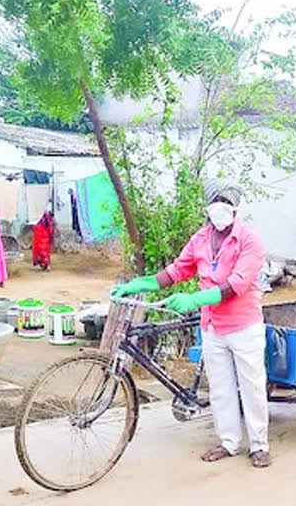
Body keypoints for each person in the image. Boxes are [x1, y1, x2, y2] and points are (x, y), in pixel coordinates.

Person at [112, 179, 270, 468]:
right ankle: (228, 442)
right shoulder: (200, 239)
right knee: (220, 388)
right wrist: (139, 284)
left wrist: (195, 299)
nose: (220, 206)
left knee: (252, 386)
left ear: (236, 207)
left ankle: (259, 444)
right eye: (216, 200)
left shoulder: (250, 241)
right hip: (212, 326)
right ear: (207, 206)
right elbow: (175, 272)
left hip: (243, 325)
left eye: (226, 201)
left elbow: (238, 284)